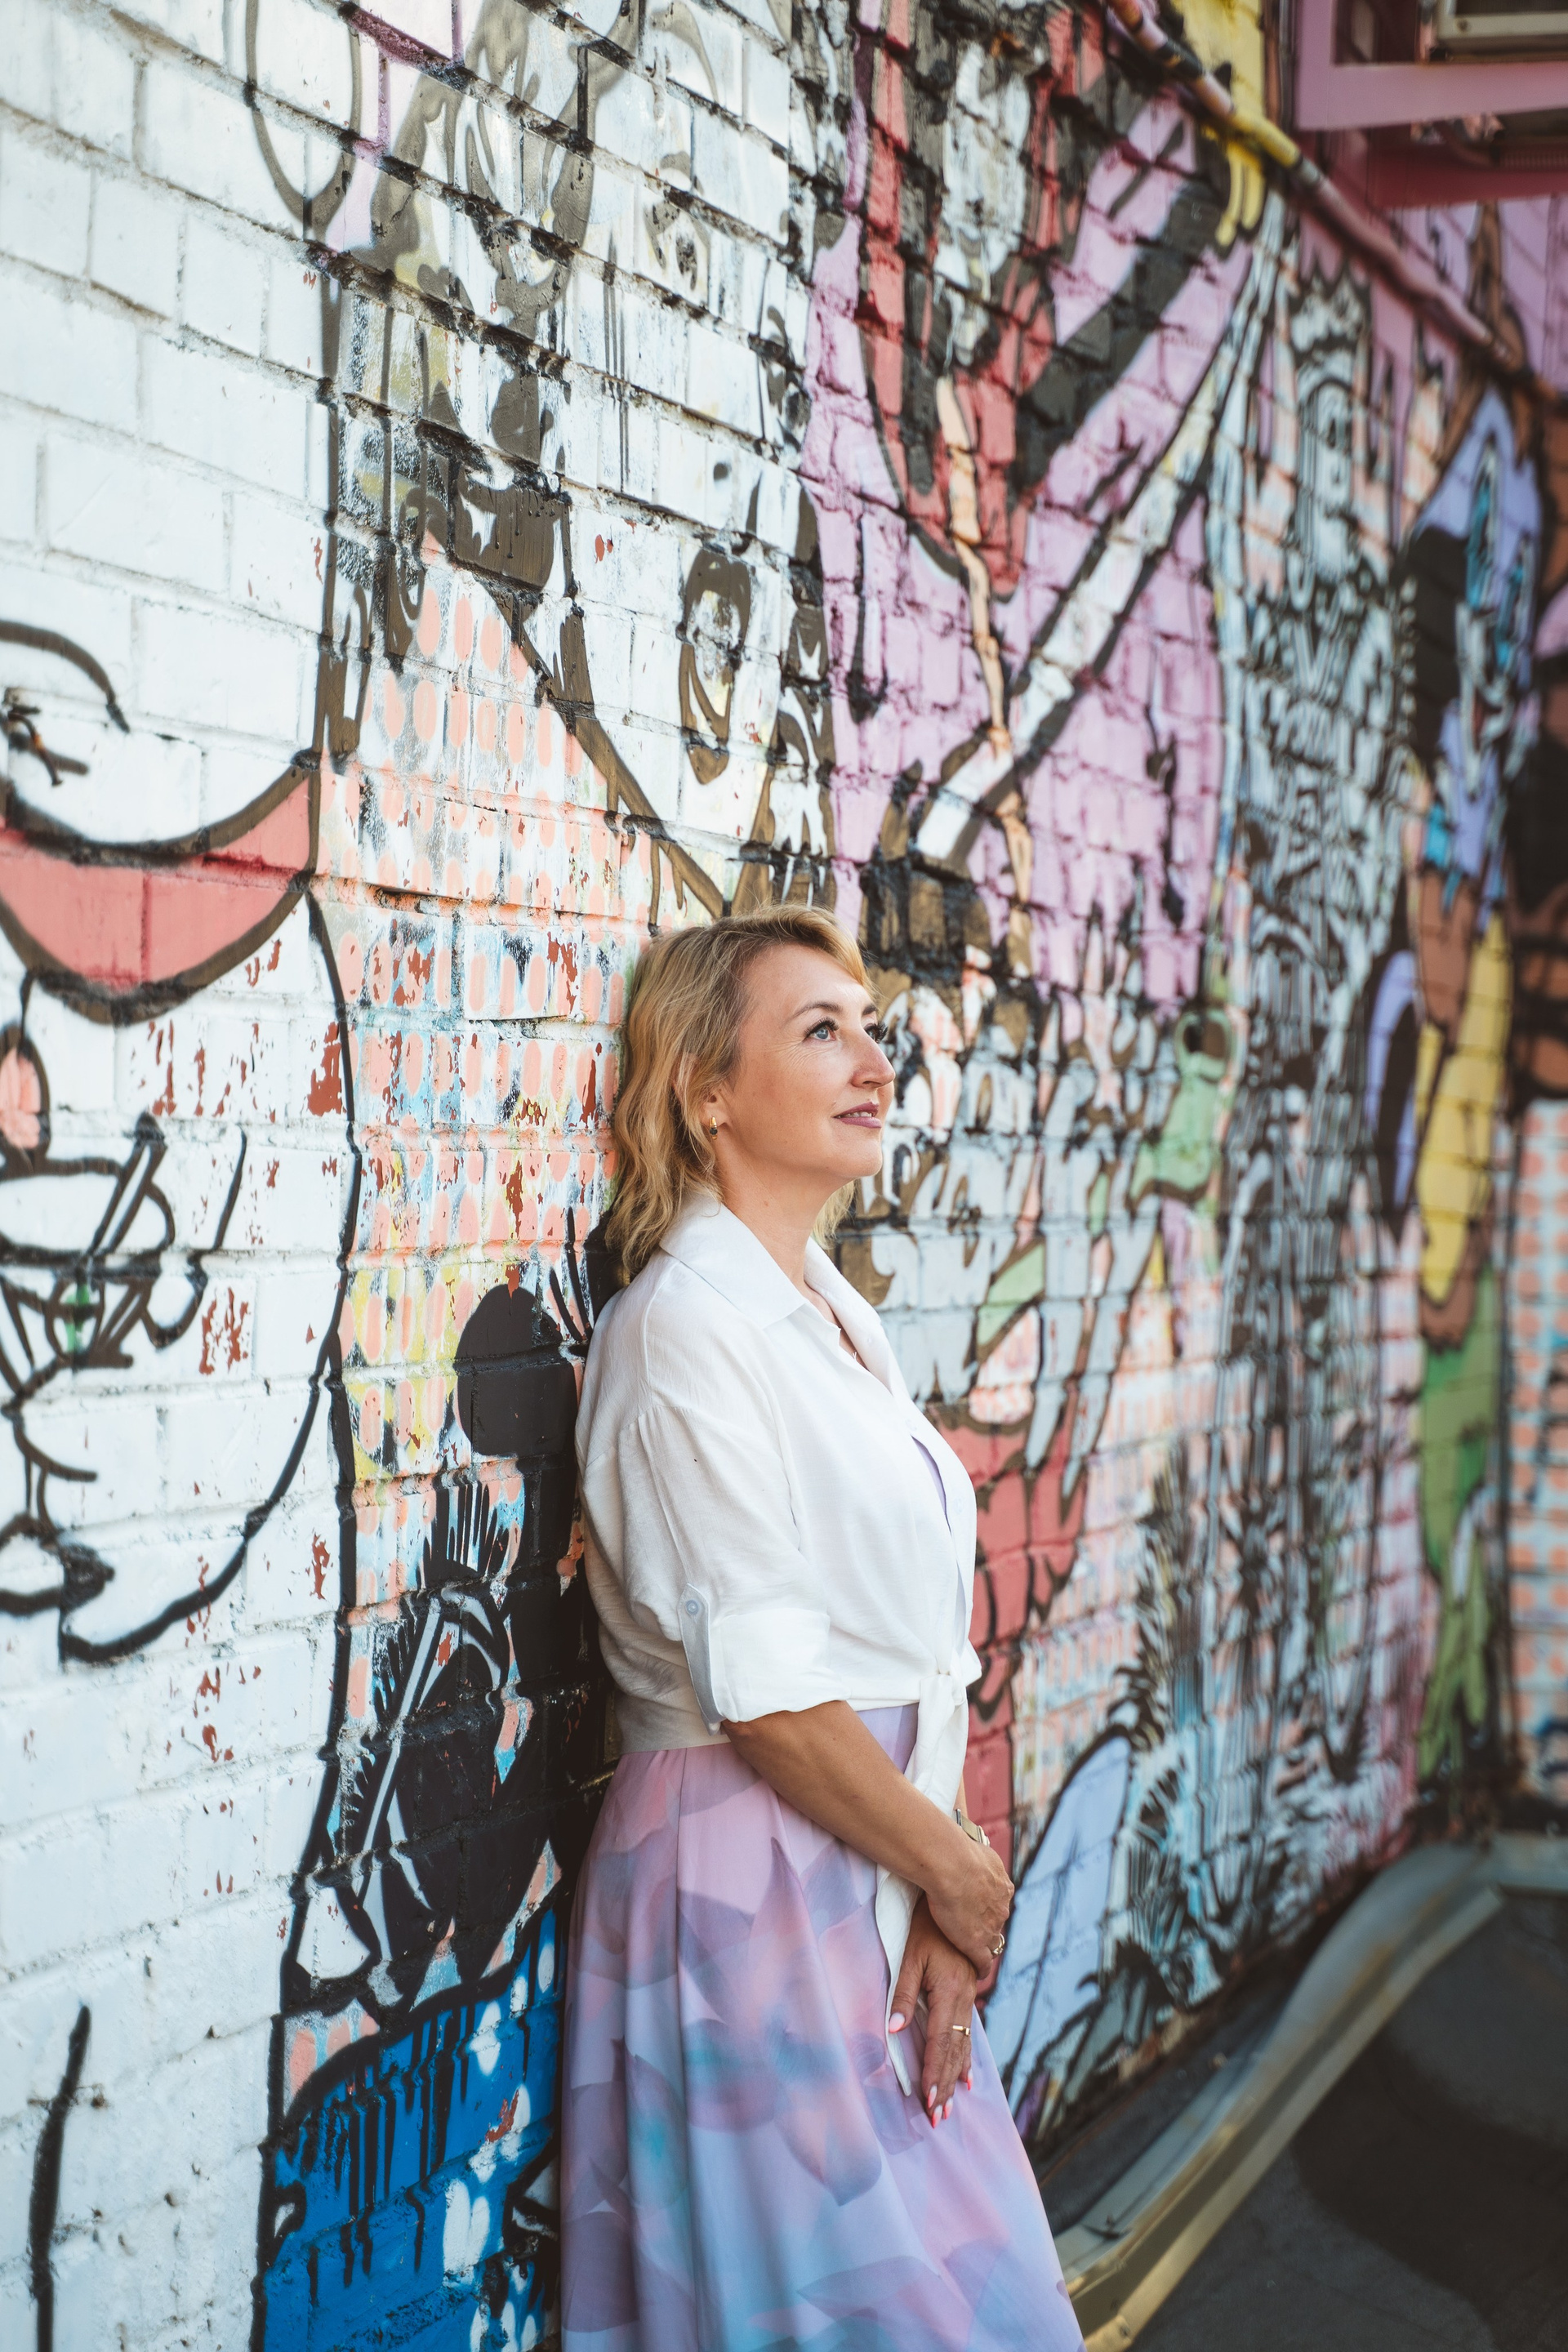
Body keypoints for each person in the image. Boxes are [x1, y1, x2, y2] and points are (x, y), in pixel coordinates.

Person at [560, 904, 1086, 2349]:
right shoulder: (683, 1328)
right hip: (752, 1885)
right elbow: (772, 1699)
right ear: (707, 1092)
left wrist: (934, 1889)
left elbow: (907, 1651)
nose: (874, 1059)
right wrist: (959, 1878)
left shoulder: (836, 1320)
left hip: (867, 1855)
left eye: (869, 1026)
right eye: (820, 1031)